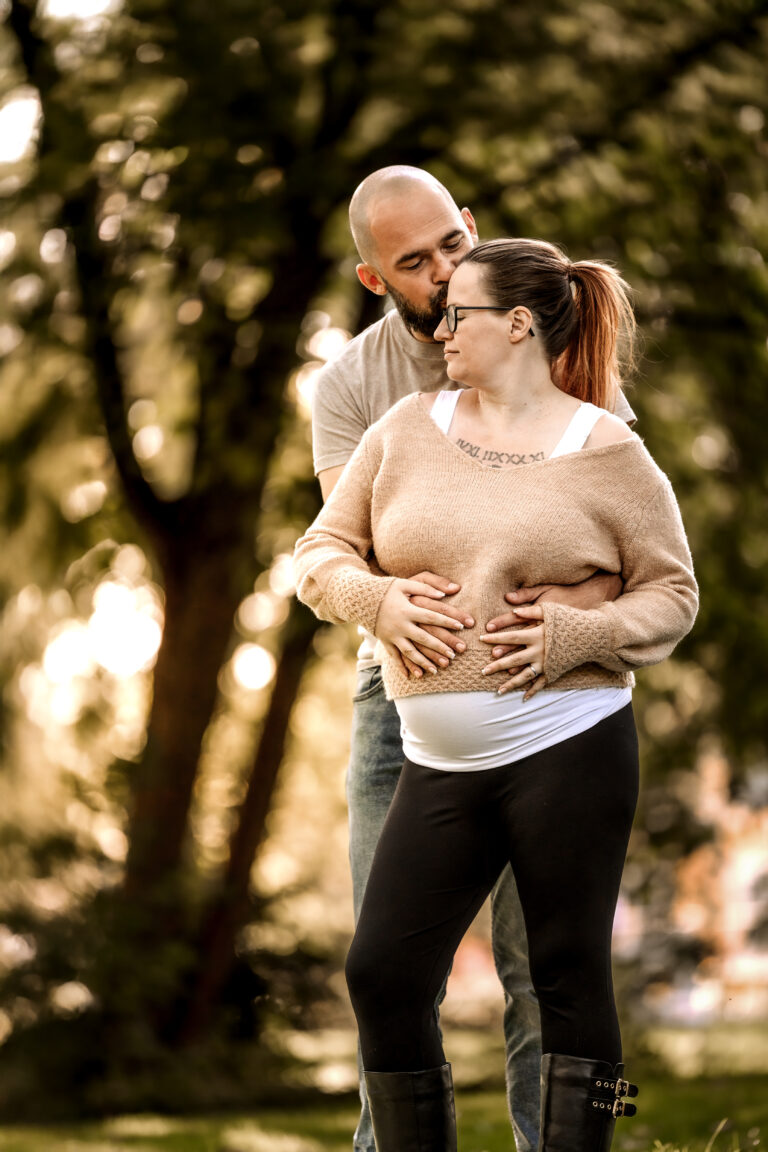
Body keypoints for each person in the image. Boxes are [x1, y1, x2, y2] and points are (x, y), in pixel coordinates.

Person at [295, 236, 698, 1152]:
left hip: (570, 745)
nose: (441, 328)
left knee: (566, 976)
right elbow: (319, 554)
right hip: (439, 763)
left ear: (517, 325)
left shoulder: (608, 450)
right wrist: (377, 600)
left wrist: (577, 634)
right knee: (382, 974)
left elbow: (673, 595)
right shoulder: (404, 429)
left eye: (459, 315)